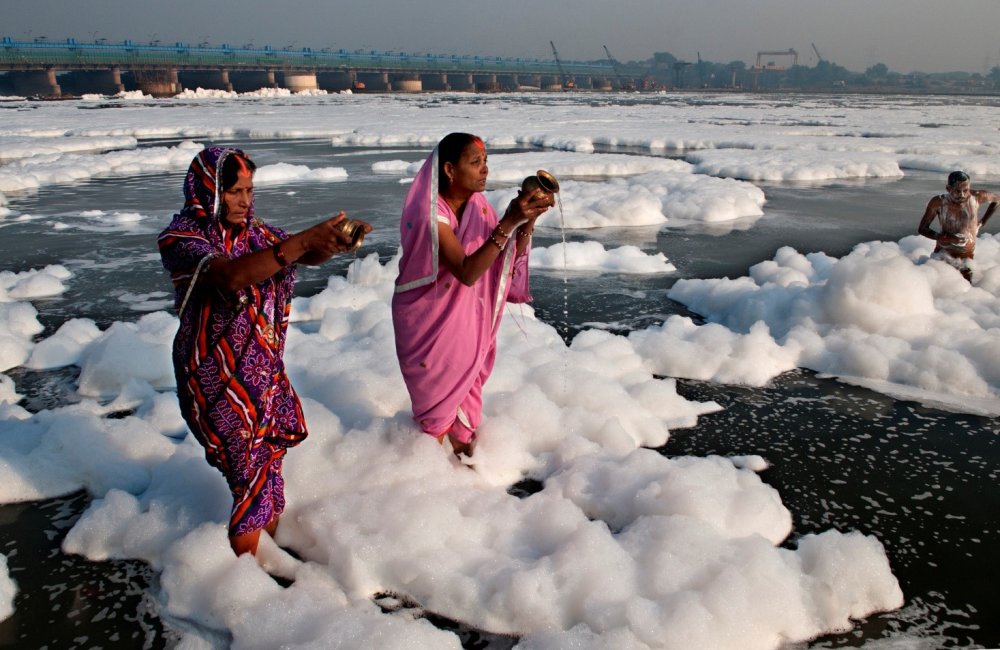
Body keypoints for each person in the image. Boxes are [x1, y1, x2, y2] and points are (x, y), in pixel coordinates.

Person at [157, 146, 371, 556]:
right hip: (213, 375)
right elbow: (231, 276)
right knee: (248, 473)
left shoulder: (257, 234)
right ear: (208, 190)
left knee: (267, 462)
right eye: (235, 191)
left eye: (249, 191)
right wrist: (304, 240)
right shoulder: (183, 238)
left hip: (262, 369)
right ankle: (243, 586)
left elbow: (304, 253)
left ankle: (270, 555)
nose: (244, 201)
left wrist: (332, 242)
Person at [391, 133, 551, 457]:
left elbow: (499, 260)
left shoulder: (478, 208)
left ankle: (467, 476)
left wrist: (526, 223)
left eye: (486, 161)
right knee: (435, 420)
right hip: (429, 323)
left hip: (466, 322)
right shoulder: (430, 213)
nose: (485, 169)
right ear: (450, 170)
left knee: (464, 417)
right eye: (475, 162)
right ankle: (419, 483)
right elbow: (467, 272)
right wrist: (509, 221)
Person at [918, 170, 999, 282]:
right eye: (957, 191)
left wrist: (982, 222)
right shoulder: (938, 202)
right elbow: (922, 229)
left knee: (965, 286)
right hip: (943, 252)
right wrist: (941, 237)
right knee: (938, 284)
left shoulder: (977, 197)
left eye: (966, 190)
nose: (962, 195)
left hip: (966, 255)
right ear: (948, 188)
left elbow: (997, 200)